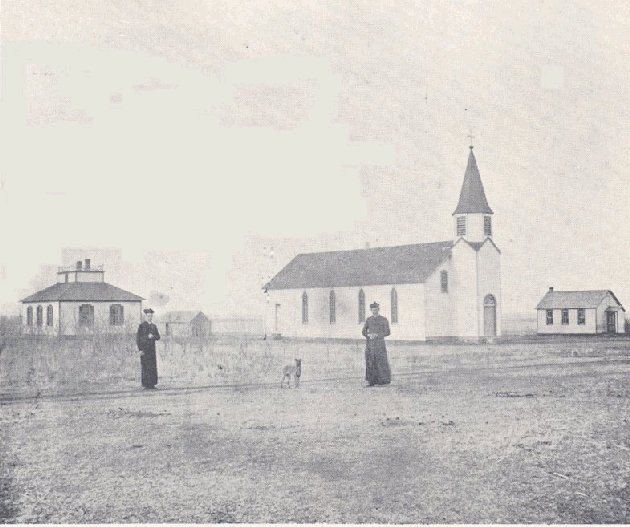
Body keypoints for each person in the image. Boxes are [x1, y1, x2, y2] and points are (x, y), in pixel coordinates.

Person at [361, 301, 391, 386]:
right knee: (371, 361)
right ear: (371, 310)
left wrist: (377, 335)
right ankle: (371, 381)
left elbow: (387, 332)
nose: (375, 311)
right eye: (373, 310)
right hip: (370, 345)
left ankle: (382, 380)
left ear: (378, 309)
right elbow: (363, 331)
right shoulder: (369, 320)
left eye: (376, 309)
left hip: (380, 344)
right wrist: (369, 335)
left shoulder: (383, 319)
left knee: (380, 361)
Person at [136, 308, 161, 389]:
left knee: (152, 367)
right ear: (145, 316)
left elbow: (158, 337)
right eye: (148, 316)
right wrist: (140, 350)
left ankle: (152, 384)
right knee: (145, 367)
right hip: (144, 350)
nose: (149, 317)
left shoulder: (154, 326)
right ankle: (145, 385)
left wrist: (153, 336)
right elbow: (138, 338)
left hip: (152, 351)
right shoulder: (142, 326)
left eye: (150, 316)